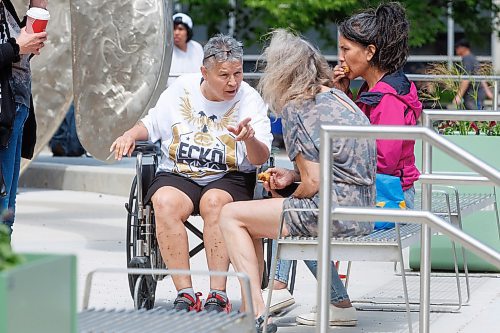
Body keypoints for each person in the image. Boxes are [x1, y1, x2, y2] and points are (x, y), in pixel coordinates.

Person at [266, 1, 423, 323]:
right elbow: (355, 151)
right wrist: (343, 94)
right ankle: (286, 290)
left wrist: (310, 172)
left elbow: (383, 159)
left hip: (390, 199)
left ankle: (323, 300)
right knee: (299, 204)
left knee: (305, 215)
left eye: (345, 48)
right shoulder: (373, 90)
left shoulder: (388, 99)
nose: (340, 57)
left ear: (369, 52)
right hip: (375, 191)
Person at [218, 29, 377, 332]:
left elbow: (314, 182)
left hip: (334, 214)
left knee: (231, 214)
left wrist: (293, 189)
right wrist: (292, 177)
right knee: (262, 213)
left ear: (281, 73)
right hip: (362, 210)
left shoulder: (297, 108)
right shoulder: (338, 99)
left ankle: (256, 310)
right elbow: (331, 167)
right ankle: (280, 294)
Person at [110, 34, 272, 314]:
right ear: (204, 72)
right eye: (223, 75)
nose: (233, 82)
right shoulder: (181, 88)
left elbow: (261, 158)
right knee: (164, 202)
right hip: (178, 173)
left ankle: (217, 293)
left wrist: (249, 139)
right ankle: (185, 292)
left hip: (229, 176)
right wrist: (129, 135)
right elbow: (152, 124)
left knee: (214, 204)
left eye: (237, 73)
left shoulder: (250, 99)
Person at [0, 0, 48, 239]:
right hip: (4, 119)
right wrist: (16, 46)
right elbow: (10, 49)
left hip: (14, 115)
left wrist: (38, 7)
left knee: (7, 212)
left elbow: (15, 55)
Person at [453, 39, 493, 110]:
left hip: (472, 93)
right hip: (479, 92)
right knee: (479, 113)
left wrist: (458, 96)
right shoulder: (473, 58)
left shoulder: (467, 59)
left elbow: (466, 79)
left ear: (463, 48)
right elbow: (480, 76)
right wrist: (487, 92)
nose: (456, 49)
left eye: (457, 47)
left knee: (473, 116)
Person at [167, 13, 204, 87]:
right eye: (174, 29)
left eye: (180, 29)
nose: (176, 33)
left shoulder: (197, 47)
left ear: (188, 31)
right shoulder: (167, 50)